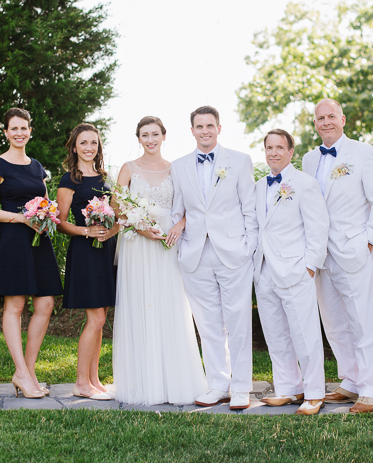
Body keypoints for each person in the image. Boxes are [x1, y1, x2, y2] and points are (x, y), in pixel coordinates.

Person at [301, 98, 373, 414]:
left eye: (330, 116)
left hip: (354, 250)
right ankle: (351, 380)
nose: (325, 122)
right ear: (315, 123)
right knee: (334, 321)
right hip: (321, 253)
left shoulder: (364, 153)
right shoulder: (309, 159)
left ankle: (371, 390)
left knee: (362, 320)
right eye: (319, 117)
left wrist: (369, 242)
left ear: (343, 119)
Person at [111, 116, 207, 405]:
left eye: (155, 134)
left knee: (169, 305)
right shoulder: (128, 168)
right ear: (138, 138)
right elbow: (117, 206)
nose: (150, 139)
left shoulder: (176, 169)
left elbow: (195, 204)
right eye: (144, 135)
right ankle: (143, 383)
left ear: (164, 136)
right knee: (140, 304)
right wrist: (140, 227)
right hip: (138, 245)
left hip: (168, 243)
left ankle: (174, 382)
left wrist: (180, 225)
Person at [170, 105, 258, 410]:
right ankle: (218, 384)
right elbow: (177, 209)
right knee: (208, 324)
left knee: (238, 320)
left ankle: (242, 387)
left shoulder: (239, 160)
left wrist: (249, 248)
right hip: (195, 253)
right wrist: (178, 224)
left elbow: (250, 208)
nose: (205, 131)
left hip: (233, 253)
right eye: (199, 126)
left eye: (210, 126)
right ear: (191, 130)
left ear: (219, 128)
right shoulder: (179, 166)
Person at [0, 107, 62, 399]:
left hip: (38, 238)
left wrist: (45, 217)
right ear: (6, 132)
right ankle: (22, 371)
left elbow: (45, 201)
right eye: (13, 128)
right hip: (13, 238)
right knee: (15, 305)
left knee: (46, 303)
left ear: (30, 131)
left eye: (23, 128)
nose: (19, 133)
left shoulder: (37, 166)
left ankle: (25, 371)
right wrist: (21, 219)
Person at [252, 129, 328, 416]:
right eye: (269, 147)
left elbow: (318, 227)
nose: (273, 152)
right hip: (264, 270)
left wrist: (309, 266)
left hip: (295, 269)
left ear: (290, 152)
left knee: (305, 334)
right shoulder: (259, 185)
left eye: (279, 147)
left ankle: (314, 393)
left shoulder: (305, 184)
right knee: (275, 334)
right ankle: (288, 387)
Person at [57, 123, 119, 400]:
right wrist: (87, 230)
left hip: (105, 250)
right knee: (95, 318)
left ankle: (94, 379)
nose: (89, 147)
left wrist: (110, 231)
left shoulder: (105, 178)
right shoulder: (69, 180)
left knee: (101, 317)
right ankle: (81, 383)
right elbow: (59, 222)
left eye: (94, 143)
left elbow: (117, 216)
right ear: (74, 147)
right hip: (85, 252)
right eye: (83, 142)